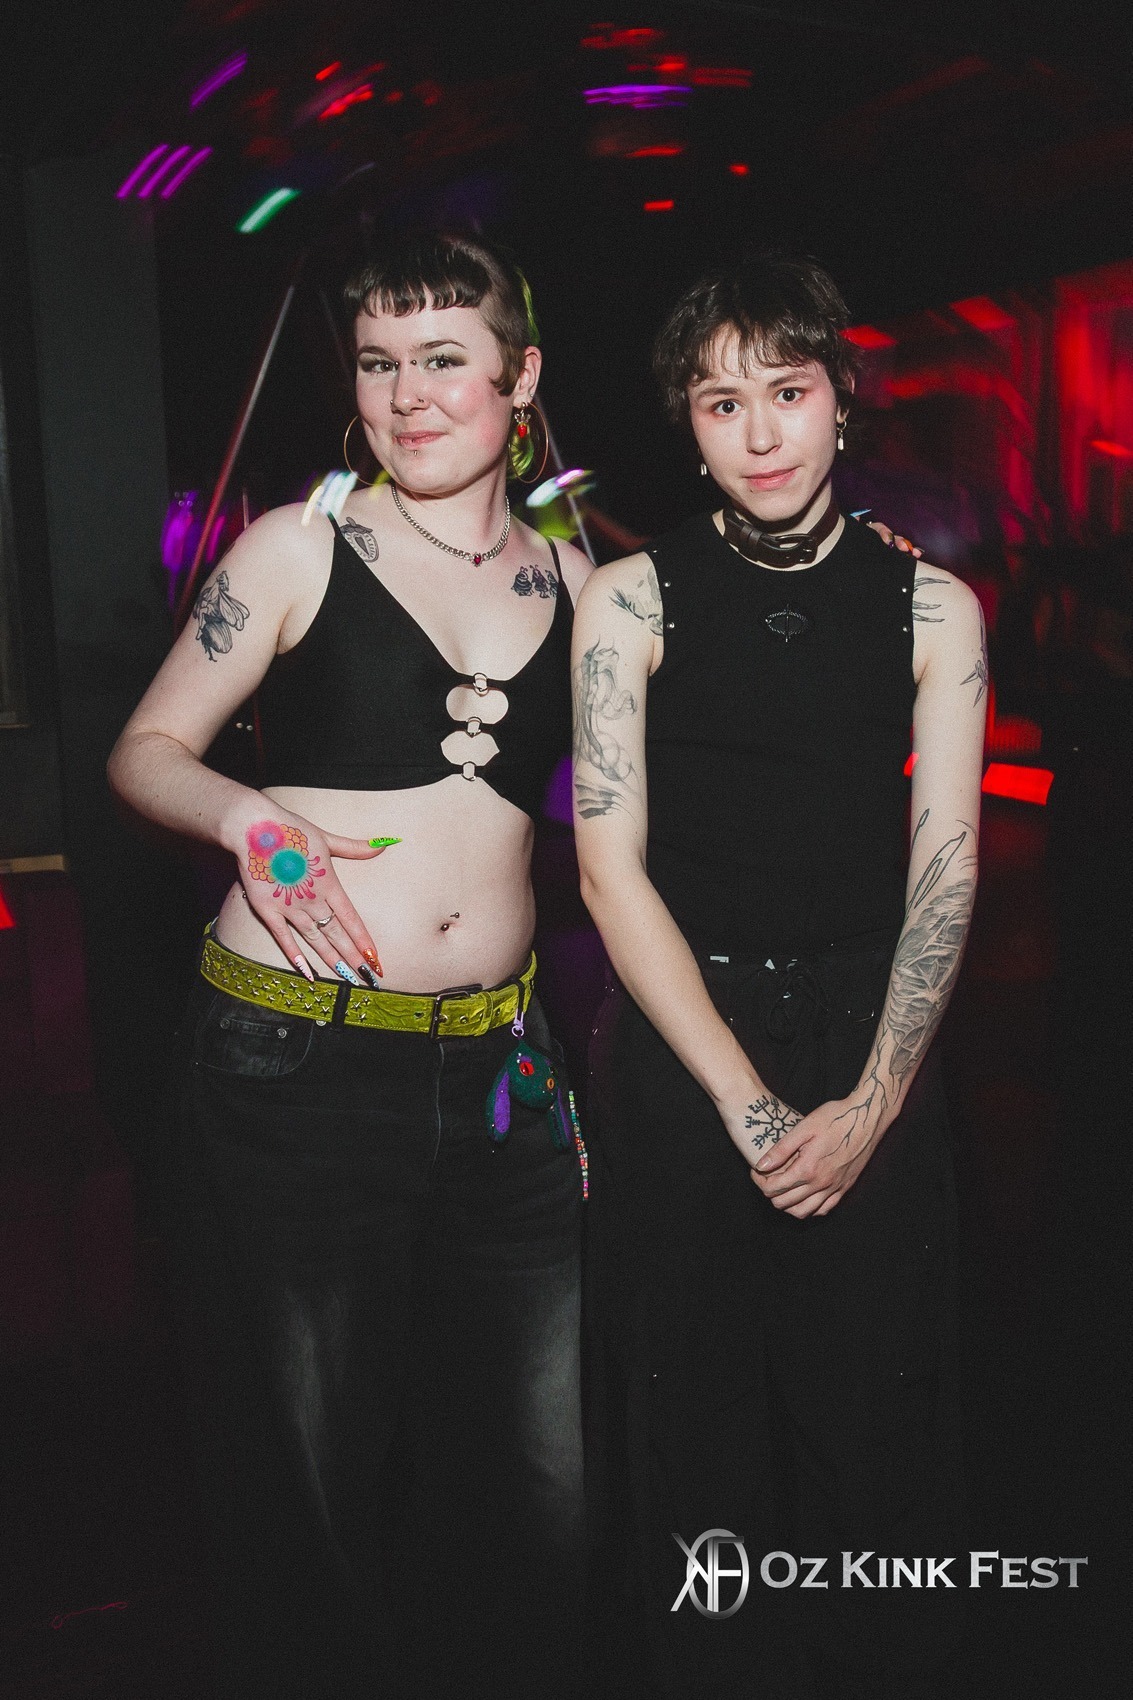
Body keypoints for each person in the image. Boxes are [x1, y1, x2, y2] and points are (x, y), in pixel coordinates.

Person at [107, 233, 593, 1700]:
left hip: (503, 1075)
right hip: (297, 1064)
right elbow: (146, 750)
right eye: (380, 364)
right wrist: (248, 822)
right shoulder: (295, 548)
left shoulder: (581, 581)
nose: (406, 395)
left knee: (543, 1477)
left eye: (443, 359)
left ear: (520, 378)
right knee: (312, 1483)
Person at [573, 251, 986, 1699]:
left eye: (788, 393)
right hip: (688, 1042)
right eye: (720, 402)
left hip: (872, 1036)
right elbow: (608, 873)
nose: (759, 434)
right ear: (686, 426)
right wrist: (749, 1108)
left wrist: (872, 1100)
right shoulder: (628, 600)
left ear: (841, 402)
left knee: (877, 1428)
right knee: (695, 1435)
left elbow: (945, 869)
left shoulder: (932, 608)